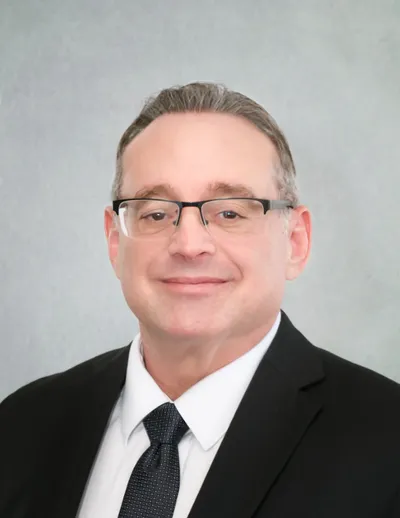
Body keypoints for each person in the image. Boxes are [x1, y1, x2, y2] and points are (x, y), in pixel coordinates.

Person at [1, 82, 399, 518]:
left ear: (296, 242)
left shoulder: (386, 440)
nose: (189, 245)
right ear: (115, 242)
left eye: (230, 212)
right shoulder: (22, 425)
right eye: (155, 213)